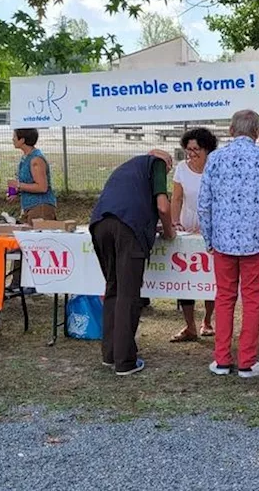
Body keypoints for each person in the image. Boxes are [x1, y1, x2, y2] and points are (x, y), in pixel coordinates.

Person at [199, 109, 259, 379]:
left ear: (231, 130)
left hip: (223, 241)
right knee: (252, 301)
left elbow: (205, 203)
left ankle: (222, 359)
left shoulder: (215, 159)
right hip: (256, 241)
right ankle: (248, 361)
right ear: (257, 132)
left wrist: (209, 238)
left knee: (224, 299)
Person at [89, 150, 177, 376]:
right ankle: (125, 361)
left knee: (113, 290)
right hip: (128, 229)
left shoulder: (128, 167)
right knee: (129, 294)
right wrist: (169, 231)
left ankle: (109, 354)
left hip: (100, 224)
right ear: (165, 162)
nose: (167, 172)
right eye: (169, 168)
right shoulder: (157, 163)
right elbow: (163, 207)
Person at [169, 127, 219, 343]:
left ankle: (207, 320)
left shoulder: (216, 168)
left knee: (211, 277)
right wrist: (175, 222)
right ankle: (189, 325)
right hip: (187, 225)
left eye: (196, 149)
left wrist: (208, 227)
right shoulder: (181, 168)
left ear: (207, 149)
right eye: (188, 149)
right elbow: (177, 198)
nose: (191, 153)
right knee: (185, 277)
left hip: (213, 226)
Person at [11, 127, 56, 221]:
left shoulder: (36, 159)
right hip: (29, 207)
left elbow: (42, 187)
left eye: (14, 136)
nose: (13, 139)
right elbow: (27, 183)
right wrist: (15, 192)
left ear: (22, 140)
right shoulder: (26, 157)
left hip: (40, 207)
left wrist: (19, 185)